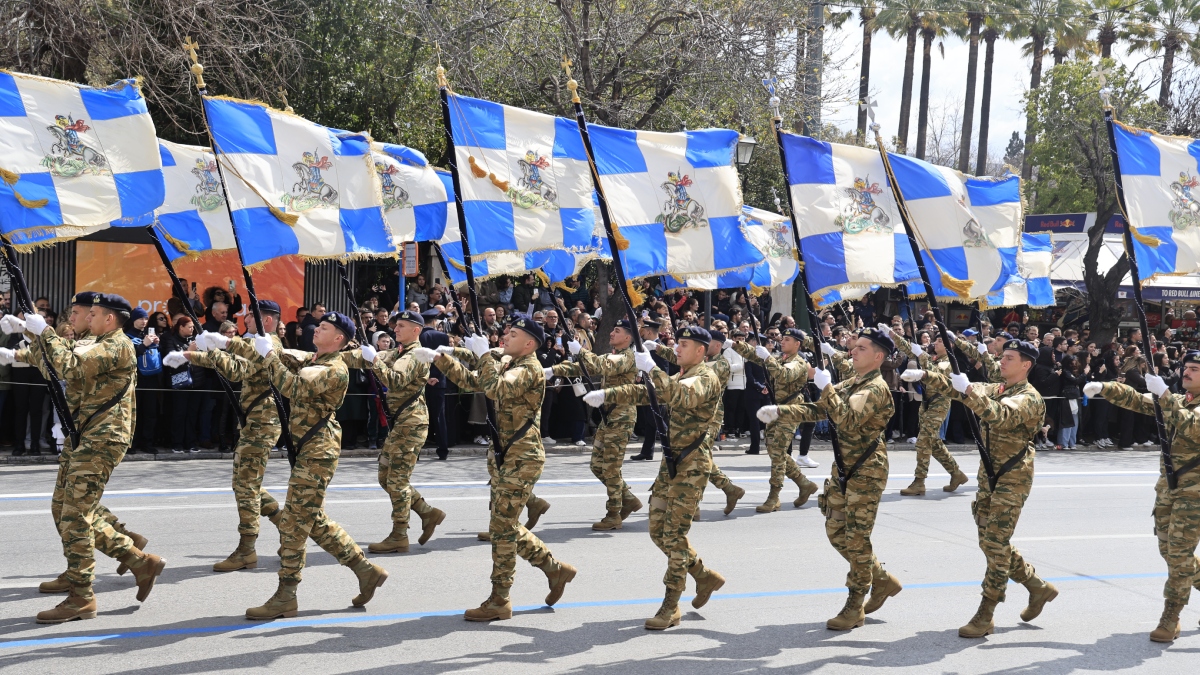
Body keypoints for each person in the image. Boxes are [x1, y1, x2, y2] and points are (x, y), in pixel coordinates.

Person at [7, 294, 166, 623]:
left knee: (77, 514)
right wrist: (30, 335)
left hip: (103, 436)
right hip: (83, 433)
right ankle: (135, 560)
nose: (86, 318)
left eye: (92, 313)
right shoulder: (97, 341)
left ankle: (82, 596)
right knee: (63, 507)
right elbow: (60, 360)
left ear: (109, 318)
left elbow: (69, 364)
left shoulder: (116, 344)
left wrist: (43, 333)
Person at [426, 317, 578, 621]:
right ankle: (554, 569)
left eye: (513, 334)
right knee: (503, 525)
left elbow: (493, 389)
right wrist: (440, 360)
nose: (505, 337)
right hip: (504, 454)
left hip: (522, 456)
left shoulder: (528, 369)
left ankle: (500, 599)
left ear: (530, 344)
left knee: (501, 529)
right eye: (507, 332)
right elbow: (475, 382)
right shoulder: (510, 360)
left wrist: (484, 356)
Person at [904, 339, 1055, 638]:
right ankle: (1038, 587)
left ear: (1025, 365)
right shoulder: (999, 388)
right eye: (1003, 356)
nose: (1002, 361)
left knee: (995, 545)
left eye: (1009, 358)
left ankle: (986, 612)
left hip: (1012, 478)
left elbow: (998, 415)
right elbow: (956, 388)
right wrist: (926, 376)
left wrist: (970, 391)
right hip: (989, 474)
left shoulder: (1028, 398)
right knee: (990, 542)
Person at [243, 311, 387, 619]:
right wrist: (236, 345)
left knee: (294, 523)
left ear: (338, 339)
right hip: (307, 445)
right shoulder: (314, 359)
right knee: (313, 520)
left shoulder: (333, 368)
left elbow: (293, 386)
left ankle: (286, 595)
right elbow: (288, 356)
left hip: (318, 450)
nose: (315, 329)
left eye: (323, 327)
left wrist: (268, 356)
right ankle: (365, 570)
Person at [758, 327, 900, 631]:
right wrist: (781, 411)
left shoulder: (875, 389)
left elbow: (846, 419)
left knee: (857, 540)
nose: (853, 351)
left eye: (861, 348)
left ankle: (854, 606)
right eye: (855, 346)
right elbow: (821, 409)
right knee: (836, 531)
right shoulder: (852, 383)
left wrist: (827, 388)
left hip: (866, 471)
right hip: (844, 468)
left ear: (878, 356)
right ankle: (883, 579)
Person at [585, 326, 727, 630]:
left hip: (692, 466)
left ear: (701, 350)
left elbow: (681, 397)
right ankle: (703, 575)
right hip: (671, 463)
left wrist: (651, 367)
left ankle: (671, 604)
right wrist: (607, 393)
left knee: (674, 535)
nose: (677, 348)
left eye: (684, 344)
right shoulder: (680, 374)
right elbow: (645, 392)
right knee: (657, 529)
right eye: (678, 343)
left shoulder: (705, 377)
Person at [1088, 351, 1200, 641]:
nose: (1186, 372)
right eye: (1185, 367)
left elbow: (1193, 427)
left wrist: (1163, 393)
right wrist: (1106, 388)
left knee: (1178, 553)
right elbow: (1140, 401)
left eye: (1195, 369)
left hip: (1195, 494)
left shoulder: (1181, 404)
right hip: (1169, 487)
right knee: (1169, 549)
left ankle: (1171, 616)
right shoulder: (1179, 400)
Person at [172, 300, 288, 572]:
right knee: (244, 482)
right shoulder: (257, 343)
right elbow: (237, 366)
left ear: (266, 320)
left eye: (250, 316)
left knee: (245, 485)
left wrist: (211, 348)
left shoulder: (268, 344)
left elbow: (239, 368)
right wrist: (194, 356)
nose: (245, 320)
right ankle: (284, 523)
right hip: (254, 420)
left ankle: (247, 548)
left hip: (263, 421)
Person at [344, 310, 447, 553]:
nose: (396, 329)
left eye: (401, 325)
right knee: (385, 476)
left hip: (411, 423)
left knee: (397, 480)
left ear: (416, 330)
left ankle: (400, 533)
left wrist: (375, 361)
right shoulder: (400, 352)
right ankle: (427, 512)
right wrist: (331, 355)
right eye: (395, 325)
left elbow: (395, 380)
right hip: (402, 423)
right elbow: (365, 358)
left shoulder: (416, 355)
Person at [550, 318, 643, 529]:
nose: (611, 333)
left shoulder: (629, 357)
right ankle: (628, 498)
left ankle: (613, 514)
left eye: (616, 330)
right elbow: (584, 367)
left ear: (628, 338)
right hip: (608, 417)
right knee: (596, 465)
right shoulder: (614, 354)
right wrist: (554, 370)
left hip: (621, 418)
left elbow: (603, 366)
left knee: (610, 468)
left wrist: (581, 351)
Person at [730, 327, 819, 512]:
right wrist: (733, 344)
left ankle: (774, 497)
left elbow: (783, 375)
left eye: (787, 339)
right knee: (773, 450)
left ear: (797, 344)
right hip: (777, 409)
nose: (783, 341)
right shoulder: (781, 358)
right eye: (783, 338)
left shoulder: (799, 362)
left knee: (777, 451)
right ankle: (804, 484)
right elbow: (755, 357)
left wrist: (768, 358)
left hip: (791, 410)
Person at [879, 326, 968, 495]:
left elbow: (936, 374)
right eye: (936, 339)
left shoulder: (948, 362)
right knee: (933, 442)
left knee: (923, 441)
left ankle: (919, 481)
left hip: (939, 402)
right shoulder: (933, 358)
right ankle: (956, 473)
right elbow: (908, 347)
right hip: (926, 403)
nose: (936, 342)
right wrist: (893, 334)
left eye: (941, 340)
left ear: (950, 345)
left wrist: (921, 357)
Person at [161, 316, 200, 453]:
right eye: (189, 327)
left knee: (192, 414)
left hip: (195, 382)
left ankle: (191, 442)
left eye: (192, 327)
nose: (192, 329)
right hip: (179, 382)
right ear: (180, 327)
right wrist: (188, 351)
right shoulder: (171, 340)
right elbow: (170, 361)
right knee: (179, 413)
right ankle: (176, 443)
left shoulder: (196, 340)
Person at [125, 308, 161, 454]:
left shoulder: (148, 335)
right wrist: (143, 345)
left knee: (150, 412)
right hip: (135, 379)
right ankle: (131, 443)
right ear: (133, 319)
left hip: (151, 379)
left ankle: (147, 443)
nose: (143, 322)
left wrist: (157, 344)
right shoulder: (126, 336)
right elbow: (129, 357)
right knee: (134, 412)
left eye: (145, 319)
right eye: (140, 318)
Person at [419, 308, 451, 459]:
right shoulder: (442, 336)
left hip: (420, 379)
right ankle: (442, 450)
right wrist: (436, 375)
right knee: (439, 416)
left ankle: (416, 450)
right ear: (434, 321)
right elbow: (443, 359)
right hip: (439, 380)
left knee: (419, 416)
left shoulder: (417, 336)